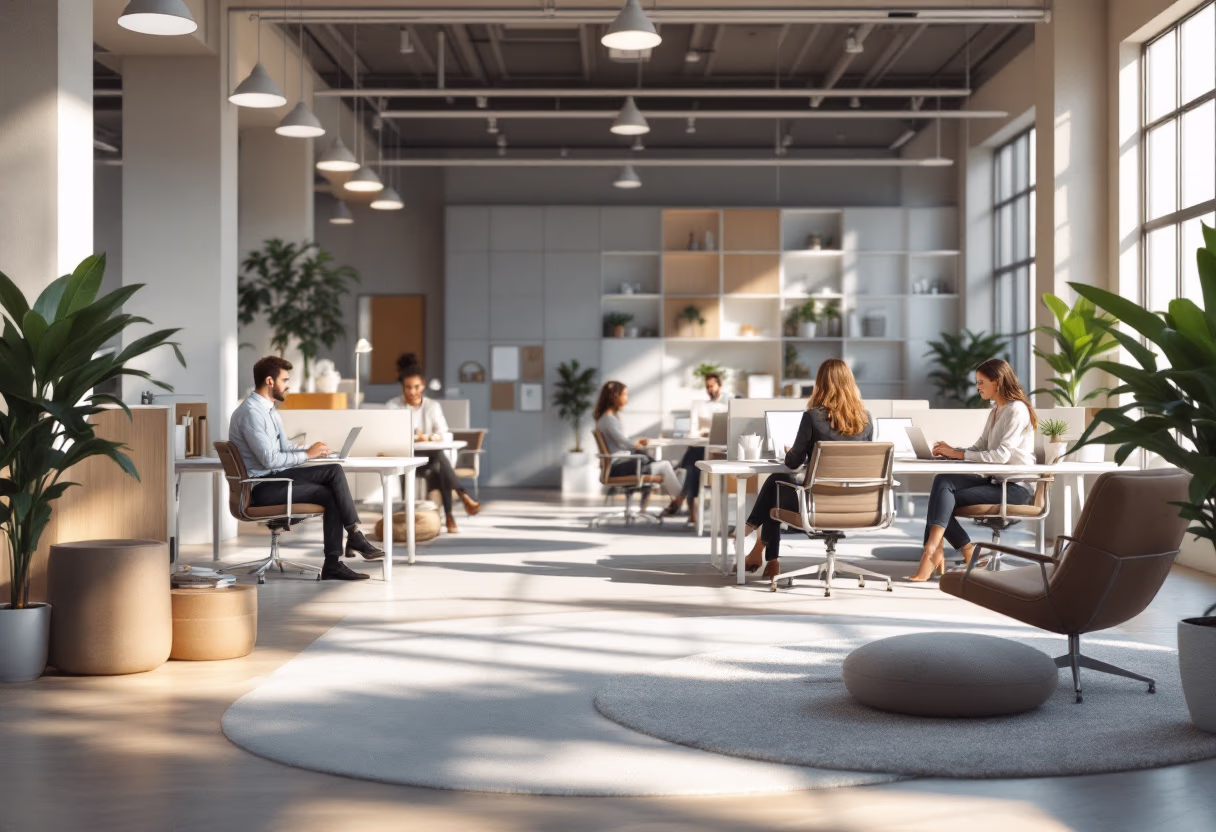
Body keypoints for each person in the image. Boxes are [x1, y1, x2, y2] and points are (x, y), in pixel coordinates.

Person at [229, 355, 383, 581]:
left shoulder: (269, 410)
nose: (288, 385)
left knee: (333, 471)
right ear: (270, 381)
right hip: (261, 488)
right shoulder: (251, 413)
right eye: (285, 379)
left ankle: (352, 538)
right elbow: (270, 460)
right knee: (330, 494)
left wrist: (309, 449)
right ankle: (341, 554)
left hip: (274, 478)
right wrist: (306, 455)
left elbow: (281, 447)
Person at [907, 358, 1038, 581]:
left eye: (981, 382)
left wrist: (958, 455)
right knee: (943, 482)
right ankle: (946, 551)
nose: (977, 387)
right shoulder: (996, 411)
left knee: (942, 498)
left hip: (1015, 488)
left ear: (996, 382)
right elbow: (980, 448)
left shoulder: (1017, 410)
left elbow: (1001, 455)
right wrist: (953, 450)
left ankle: (936, 552)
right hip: (996, 481)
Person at [742, 359, 873, 579]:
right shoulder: (866, 419)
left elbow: (793, 463)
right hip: (856, 505)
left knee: (776, 484)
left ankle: (758, 542)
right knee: (777, 485)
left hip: (817, 504)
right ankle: (763, 554)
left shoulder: (813, 416)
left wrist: (792, 450)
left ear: (820, 384)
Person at [386, 353, 481, 533]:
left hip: (429, 459)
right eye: (407, 387)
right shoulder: (393, 406)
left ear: (422, 386)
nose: (412, 392)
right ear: (402, 387)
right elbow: (389, 434)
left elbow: (445, 434)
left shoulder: (432, 406)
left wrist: (428, 438)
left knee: (439, 460)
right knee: (441, 464)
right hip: (406, 459)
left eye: (415, 387)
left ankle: (450, 511)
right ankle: (457, 505)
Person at [593, 380, 684, 510]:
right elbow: (624, 443)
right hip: (618, 467)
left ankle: (676, 492)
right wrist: (637, 445)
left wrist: (635, 443)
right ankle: (679, 500)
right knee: (664, 466)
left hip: (617, 464)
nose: (626, 398)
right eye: (624, 394)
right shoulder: (609, 420)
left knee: (656, 463)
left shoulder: (605, 419)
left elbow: (620, 440)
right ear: (614, 397)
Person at [663, 371, 730, 526]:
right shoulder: (703, 406)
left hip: (721, 451)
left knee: (691, 462)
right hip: (703, 448)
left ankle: (683, 503)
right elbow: (696, 428)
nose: (709, 390)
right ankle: (689, 509)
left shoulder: (728, 404)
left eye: (712, 386)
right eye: (707, 387)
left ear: (720, 385)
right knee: (693, 466)